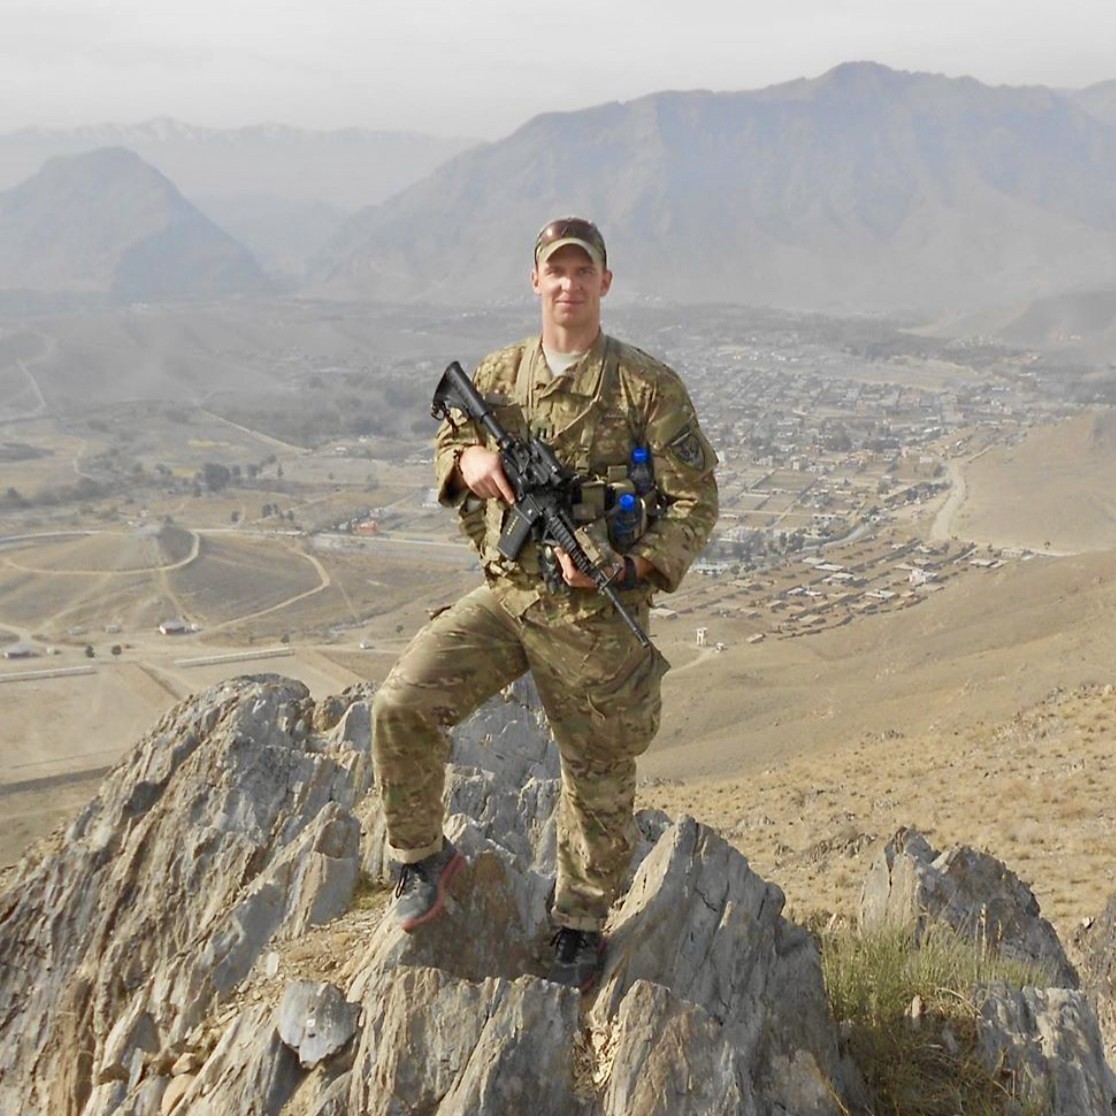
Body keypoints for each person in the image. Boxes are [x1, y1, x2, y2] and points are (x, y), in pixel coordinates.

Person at [371, 216, 718, 991]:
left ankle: (580, 922)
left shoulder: (645, 388)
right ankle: (421, 859)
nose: (568, 284)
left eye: (581, 271)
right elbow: (448, 443)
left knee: (597, 765)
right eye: (554, 271)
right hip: (508, 596)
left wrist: (629, 564)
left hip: (593, 615)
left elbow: (695, 503)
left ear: (604, 283)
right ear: (536, 282)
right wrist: (469, 458)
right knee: (401, 702)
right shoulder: (498, 376)